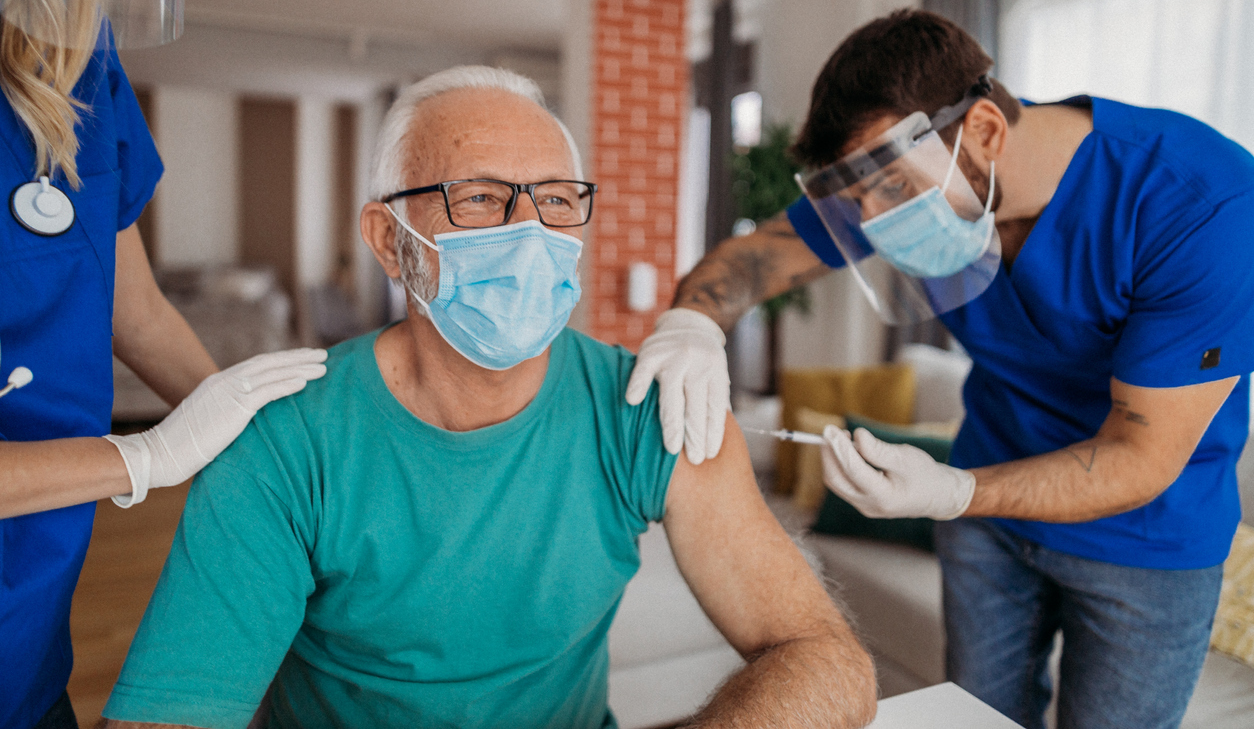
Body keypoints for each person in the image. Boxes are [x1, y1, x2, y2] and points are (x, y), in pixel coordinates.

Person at [98, 66, 878, 729]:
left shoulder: (647, 405)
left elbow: (827, 661)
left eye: (557, 198)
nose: (531, 231)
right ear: (387, 240)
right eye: (479, 198)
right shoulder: (286, 438)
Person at [628, 9, 1254, 729]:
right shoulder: (895, 189)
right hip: (986, 519)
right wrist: (692, 326)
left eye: (888, 189)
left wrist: (954, 491)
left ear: (984, 131)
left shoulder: (1205, 207)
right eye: (853, 199)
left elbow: (1139, 457)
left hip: (1146, 539)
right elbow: (748, 262)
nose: (873, 222)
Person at [0, 0, 326, 728]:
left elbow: (135, 311)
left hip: (28, 641)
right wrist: (145, 456)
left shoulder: (72, 61)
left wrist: (271, 434)